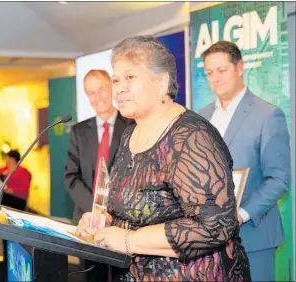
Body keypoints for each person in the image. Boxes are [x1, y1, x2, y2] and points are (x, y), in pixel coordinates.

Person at [76, 35, 251, 281]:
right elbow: (134, 206)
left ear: (161, 83)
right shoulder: (130, 133)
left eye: (130, 77)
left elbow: (215, 226)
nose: (119, 88)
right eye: (115, 79)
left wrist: (130, 240)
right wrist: (103, 221)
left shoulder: (191, 136)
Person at [198, 40, 290, 281]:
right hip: (208, 241)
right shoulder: (201, 117)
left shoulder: (268, 115)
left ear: (239, 67)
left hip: (253, 236)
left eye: (222, 70)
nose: (215, 78)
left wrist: (240, 214)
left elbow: (279, 179)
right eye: (209, 73)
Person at [64, 69, 129, 281]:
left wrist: (110, 211)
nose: (97, 97)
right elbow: (71, 177)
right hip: (88, 223)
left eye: (100, 89)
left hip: (122, 222)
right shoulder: (78, 131)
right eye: (90, 93)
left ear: (111, 87)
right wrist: (96, 210)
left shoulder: (132, 126)